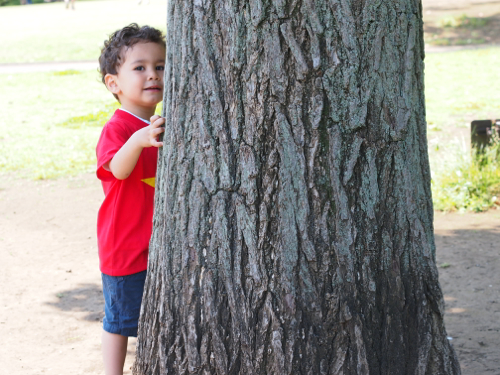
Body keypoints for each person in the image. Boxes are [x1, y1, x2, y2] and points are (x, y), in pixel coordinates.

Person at [96, 23, 166, 375]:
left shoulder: (157, 123)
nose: (152, 74)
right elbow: (118, 170)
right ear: (115, 83)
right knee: (121, 319)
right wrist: (137, 141)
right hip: (125, 245)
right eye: (139, 67)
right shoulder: (119, 128)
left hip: (155, 242)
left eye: (160, 66)